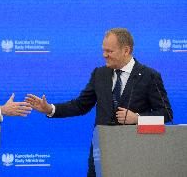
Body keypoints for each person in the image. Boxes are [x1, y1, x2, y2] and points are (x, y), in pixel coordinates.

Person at [25, 28, 173, 177]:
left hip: (135, 151)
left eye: (109, 51)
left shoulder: (149, 76)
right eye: (103, 50)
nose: (104, 55)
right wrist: (50, 109)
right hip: (101, 150)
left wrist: (137, 118)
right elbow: (80, 105)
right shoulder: (100, 74)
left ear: (126, 50)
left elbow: (166, 114)